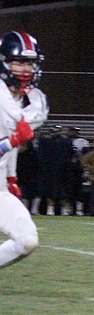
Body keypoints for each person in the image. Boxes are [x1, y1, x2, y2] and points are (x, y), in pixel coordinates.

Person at [0, 30, 46, 269]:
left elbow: (9, 143)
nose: (25, 69)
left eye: (30, 63)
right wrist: (12, 141)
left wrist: (10, 177)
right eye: (19, 62)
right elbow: (9, 141)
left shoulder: (20, 100)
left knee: (27, 240)